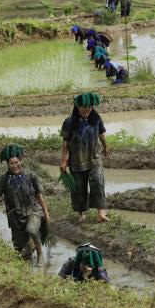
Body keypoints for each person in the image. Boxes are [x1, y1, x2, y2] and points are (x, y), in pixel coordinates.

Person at [0, 144, 50, 266]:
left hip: (33, 210)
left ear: (20, 161)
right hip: (15, 216)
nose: (15, 166)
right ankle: (30, 246)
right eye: (11, 163)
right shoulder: (3, 180)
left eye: (17, 162)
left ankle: (39, 254)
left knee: (31, 229)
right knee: (20, 254)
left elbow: (39, 197)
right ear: (7, 164)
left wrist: (46, 213)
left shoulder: (30, 176)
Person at [60, 92, 109, 223]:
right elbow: (65, 142)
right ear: (77, 107)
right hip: (77, 160)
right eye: (84, 107)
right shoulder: (69, 122)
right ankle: (81, 214)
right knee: (78, 189)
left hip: (94, 158)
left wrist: (105, 146)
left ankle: (100, 213)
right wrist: (64, 161)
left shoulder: (96, 118)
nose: (87, 109)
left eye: (89, 106)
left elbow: (101, 133)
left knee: (98, 183)